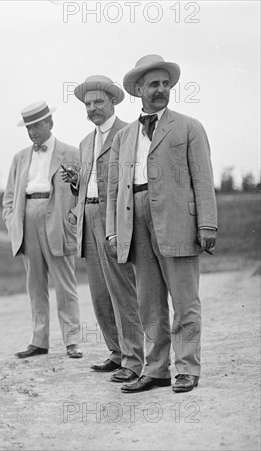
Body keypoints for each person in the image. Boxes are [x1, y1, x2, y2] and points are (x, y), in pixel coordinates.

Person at [106, 55, 218, 393]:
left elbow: (203, 178)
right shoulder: (123, 137)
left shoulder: (189, 127)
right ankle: (155, 370)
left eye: (165, 84)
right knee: (148, 302)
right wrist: (113, 231)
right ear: (138, 89)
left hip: (178, 221)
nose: (161, 89)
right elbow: (114, 187)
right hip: (135, 220)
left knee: (185, 300)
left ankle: (187, 368)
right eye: (154, 84)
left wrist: (207, 224)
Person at [60, 75, 144, 383]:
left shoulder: (128, 133)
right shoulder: (85, 142)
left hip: (115, 220)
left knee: (123, 291)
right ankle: (116, 352)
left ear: (112, 102)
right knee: (99, 293)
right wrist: (76, 181)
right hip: (89, 218)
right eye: (88, 104)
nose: (92, 108)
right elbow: (90, 184)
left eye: (98, 102)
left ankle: (134, 360)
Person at [2, 101, 83, 360]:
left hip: (57, 219)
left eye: (37, 125)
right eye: (29, 127)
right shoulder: (20, 157)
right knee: (35, 285)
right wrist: (12, 221)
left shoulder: (71, 153)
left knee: (65, 284)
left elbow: (81, 190)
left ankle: (72, 341)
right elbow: (10, 196)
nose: (33, 131)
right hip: (27, 218)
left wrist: (72, 218)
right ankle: (39, 341)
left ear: (50, 123)